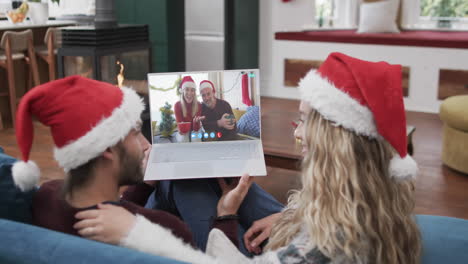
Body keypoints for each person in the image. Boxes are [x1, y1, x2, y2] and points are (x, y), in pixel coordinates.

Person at [74, 52, 422, 263]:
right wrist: (292, 218)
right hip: (291, 229)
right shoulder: (369, 197)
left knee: (185, 182)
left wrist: (224, 216)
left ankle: (150, 195)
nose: (296, 132)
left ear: (336, 141)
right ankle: (155, 189)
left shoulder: (329, 244)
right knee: (195, 174)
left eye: (302, 121)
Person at [10, 76, 243, 252]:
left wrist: (146, 183)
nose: (145, 144)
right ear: (108, 149)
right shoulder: (164, 230)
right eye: (136, 134)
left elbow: (106, 208)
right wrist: (226, 216)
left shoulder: (46, 197)